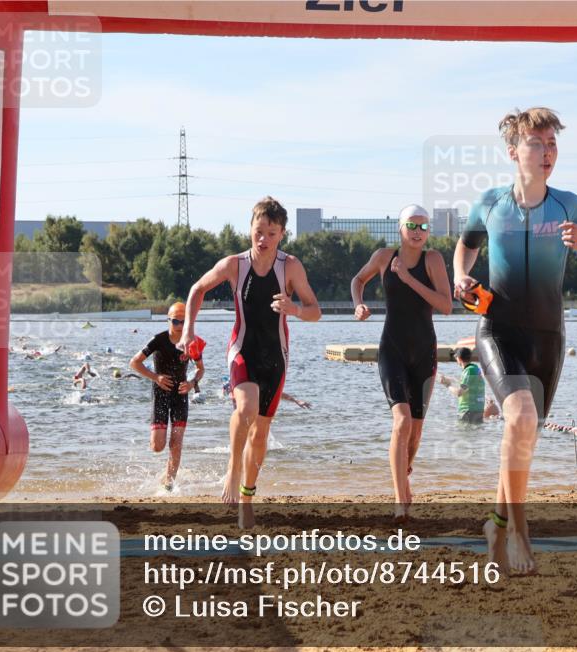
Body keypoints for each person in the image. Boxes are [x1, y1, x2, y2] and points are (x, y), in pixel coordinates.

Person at [453, 107, 577, 573]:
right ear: (513, 151)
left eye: (552, 144)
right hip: (498, 328)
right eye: (537, 143)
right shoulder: (490, 202)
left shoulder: (570, 205)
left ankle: (495, 524)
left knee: (522, 434)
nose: (547, 152)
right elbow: (466, 245)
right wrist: (461, 277)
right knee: (521, 417)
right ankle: (520, 532)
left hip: (548, 336)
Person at [180, 196, 321, 528]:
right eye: (258, 231)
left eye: (271, 234)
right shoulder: (234, 265)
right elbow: (197, 289)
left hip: (276, 358)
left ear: (282, 234)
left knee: (261, 434)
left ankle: (246, 498)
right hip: (242, 349)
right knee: (245, 410)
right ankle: (231, 469)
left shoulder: (291, 267)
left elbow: (315, 311)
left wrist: (295, 310)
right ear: (250, 229)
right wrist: (188, 329)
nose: (263, 239)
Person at [351, 204, 452, 521]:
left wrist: (408, 279)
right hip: (392, 349)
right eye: (412, 226)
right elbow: (358, 279)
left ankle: (402, 476)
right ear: (401, 228)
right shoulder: (384, 256)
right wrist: (359, 304)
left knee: (416, 433)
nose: (418, 232)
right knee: (402, 422)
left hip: (425, 352)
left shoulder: (433, 260)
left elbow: (446, 305)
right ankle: (400, 500)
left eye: (423, 227)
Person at [130, 302, 205, 491]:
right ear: (168, 320)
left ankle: (169, 483)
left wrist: (191, 383)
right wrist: (155, 377)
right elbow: (134, 363)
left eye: (183, 321)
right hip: (161, 394)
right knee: (158, 446)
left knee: (176, 442)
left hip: (180, 394)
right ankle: (164, 468)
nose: (179, 326)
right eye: (175, 321)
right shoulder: (158, 340)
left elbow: (200, 369)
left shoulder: (193, 342)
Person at [437, 347, 486, 425]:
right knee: (474, 435)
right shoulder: (475, 368)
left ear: (459, 359)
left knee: (463, 435)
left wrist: (448, 385)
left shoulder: (468, 371)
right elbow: (464, 384)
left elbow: (460, 392)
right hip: (478, 410)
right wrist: (447, 379)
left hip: (468, 411)